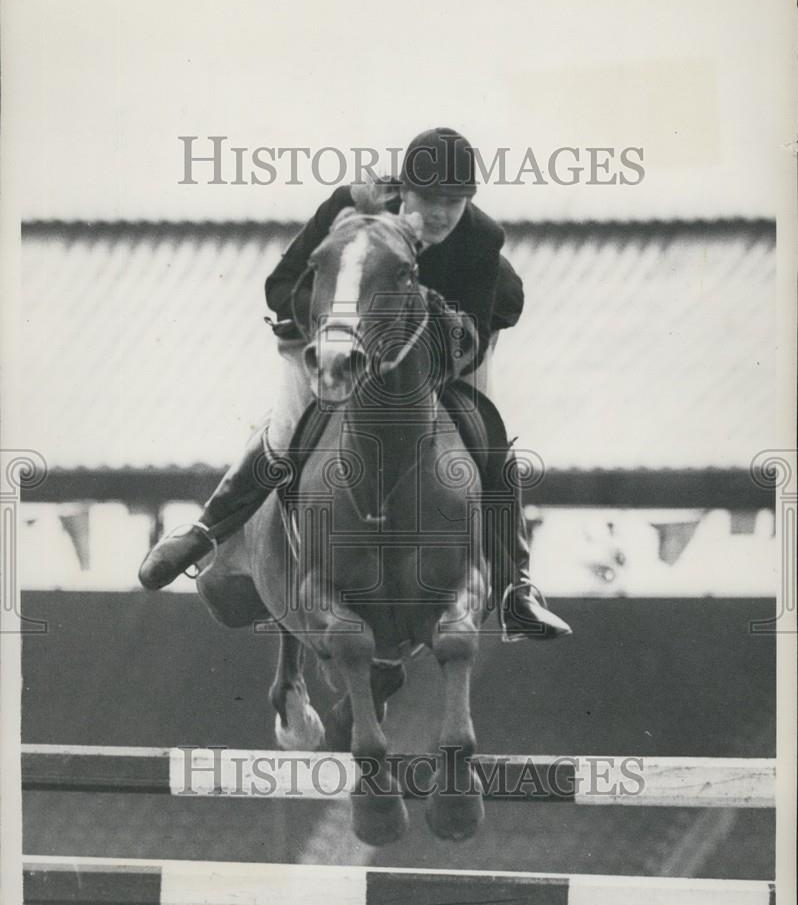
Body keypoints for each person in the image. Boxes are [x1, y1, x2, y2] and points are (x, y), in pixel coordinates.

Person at [138, 127, 571, 640]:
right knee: (286, 427)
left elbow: (470, 336)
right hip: (333, 336)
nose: (439, 214)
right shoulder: (351, 207)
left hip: (446, 346)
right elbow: (281, 287)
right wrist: (339, 329)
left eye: (453, 203)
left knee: (490, 434)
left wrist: (408, 344)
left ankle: (516, 587)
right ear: (401, 190)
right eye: (429, 198)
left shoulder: (480, 238)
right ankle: (206, 531)